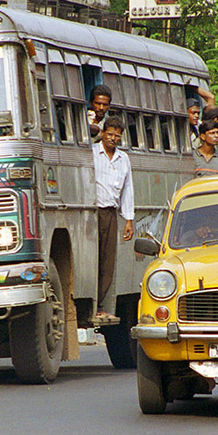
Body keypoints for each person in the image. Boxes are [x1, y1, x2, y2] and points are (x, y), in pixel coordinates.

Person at [93, 116, 134, 319]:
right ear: (102, 133)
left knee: (107, 263)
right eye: (110, 134)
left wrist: (128, 219)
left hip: (110, 214)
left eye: (117, 136)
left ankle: (99, 304)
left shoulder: (123, 159)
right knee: (93, 259)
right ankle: (90, 302)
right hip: (93, 213)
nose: (113, 139)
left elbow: (128, 189)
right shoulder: (92, 153)